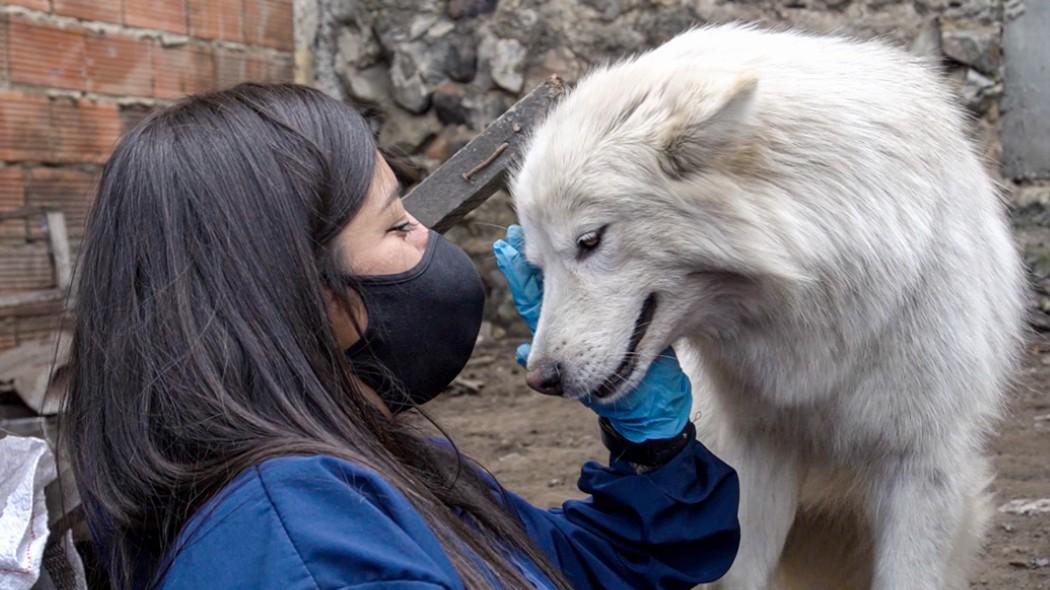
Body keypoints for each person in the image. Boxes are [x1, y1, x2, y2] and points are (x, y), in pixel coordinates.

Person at [62, 83, 740, 590]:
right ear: (307, 292)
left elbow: (587, 570)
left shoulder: (361, 468)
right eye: (395, 225)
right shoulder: (308, 550)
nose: (427, 238)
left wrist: (650, 444)